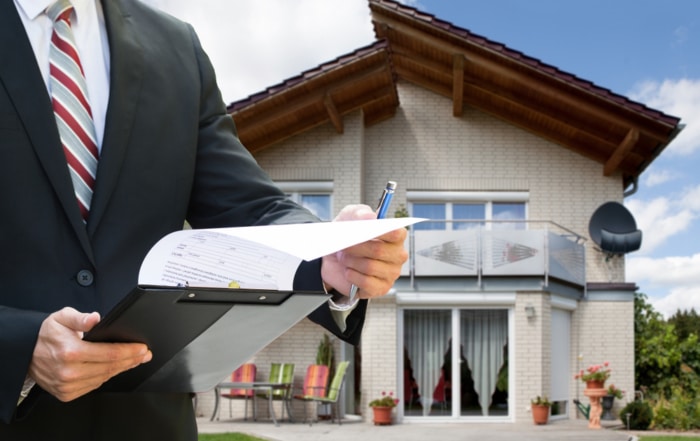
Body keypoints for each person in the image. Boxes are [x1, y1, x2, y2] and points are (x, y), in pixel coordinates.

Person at [0, 0, 408, 439]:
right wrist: (16, 347)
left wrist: (328, 257)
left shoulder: (176, 47)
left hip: (151, 425)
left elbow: (248, 206)